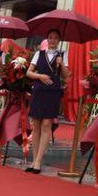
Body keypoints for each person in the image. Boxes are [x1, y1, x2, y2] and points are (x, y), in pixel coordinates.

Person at [26, 30, 70, 173]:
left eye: (55, 38)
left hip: (53, 92)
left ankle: (39, 161)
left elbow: (67, 75)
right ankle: (34, 160)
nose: (53, 40)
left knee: (46, 124)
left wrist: (61, 64)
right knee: (36, 125)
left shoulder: (62, 54)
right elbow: (29, 72)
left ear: (59, 40)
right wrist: (40, 76)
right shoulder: (39, 54)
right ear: (47, 39)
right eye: (50, 37)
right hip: (39, 90)